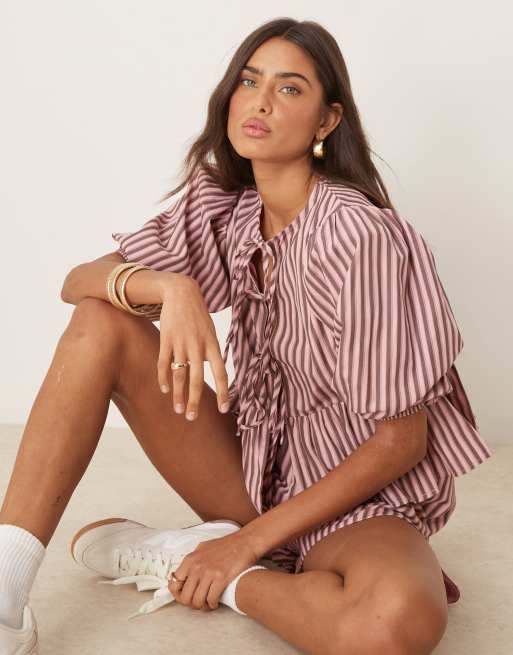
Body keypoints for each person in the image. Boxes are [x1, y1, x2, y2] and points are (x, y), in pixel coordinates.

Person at [0, 17, 493, 655]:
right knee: (102, 320)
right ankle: (5, 588)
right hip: (254, 476)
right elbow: (78, 283)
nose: (260, 101)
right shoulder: (229, 205)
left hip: (358, 501)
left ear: (326, 121)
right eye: (249, 81)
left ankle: (199, 565)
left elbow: (400, 440)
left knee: (393, 626)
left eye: (289, 89)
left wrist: (241, 547)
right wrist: (171, 288)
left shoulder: (358, 237)